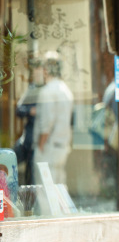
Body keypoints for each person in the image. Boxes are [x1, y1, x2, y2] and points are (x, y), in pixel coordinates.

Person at [32, 52, 74, 185]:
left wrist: (40, 147)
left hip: (48, 149)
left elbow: (46, 125)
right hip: (62, 147)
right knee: (59, 190)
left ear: (46, 70)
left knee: (45, 193)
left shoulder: (48, 91)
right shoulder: (66, 90)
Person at [14, 56, 44, 185]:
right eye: (35, 74)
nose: (37, 76)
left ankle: (30, 203)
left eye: (39, 74)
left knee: (31, 177)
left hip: (40, 141)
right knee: (9, 160)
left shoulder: (48, 91)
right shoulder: (32, 89)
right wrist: (30, 111)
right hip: (27, 139)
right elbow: (19, 110)